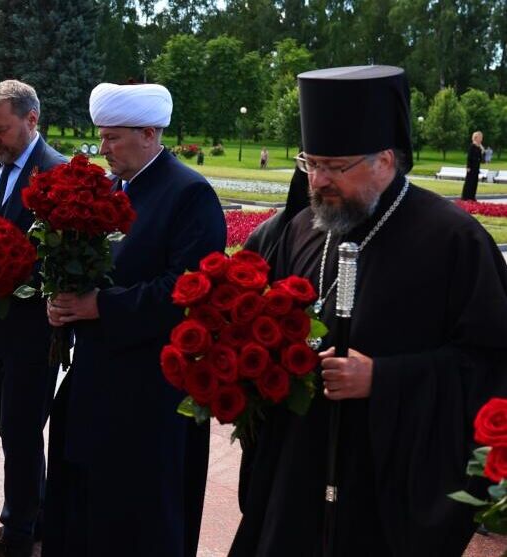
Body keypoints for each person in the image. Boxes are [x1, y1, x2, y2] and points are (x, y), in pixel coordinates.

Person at [231, 65, 507, 556]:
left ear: (385, 160)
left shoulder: (453, 241)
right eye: (310, 164)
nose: (318, 181)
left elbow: (489, 364)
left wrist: (383, 378)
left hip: (385, 484)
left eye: (335, 167)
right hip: (293, 473)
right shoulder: (300, 229)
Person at [42, 82, 227, 556]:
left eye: (112, 138)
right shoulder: (106, 189)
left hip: (153, 388)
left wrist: (100, 306)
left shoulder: (189, 194)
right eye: (101, 137)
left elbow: (187, 290)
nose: (102, 149)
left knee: (143, 509)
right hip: (97, 375)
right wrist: (59, 300)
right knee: (85, 493)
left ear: (148, 133)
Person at [0, 80, 66, 557]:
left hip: (36, 327)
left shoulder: (59, 173)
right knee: (8, 426)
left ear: (31, 120)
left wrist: (14, 284)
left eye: (1, 129)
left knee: (23, 427)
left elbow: (65, 258)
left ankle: (21, 529)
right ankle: (39, 511)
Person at [461, 130, 484, 201]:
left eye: (481, 137)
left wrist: (483, 150)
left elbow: (481, 159)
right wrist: (468, 166)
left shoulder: (479, 148)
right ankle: (465, 197)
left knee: (474, 183)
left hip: (476, 168)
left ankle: (472, 197)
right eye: (480, 137)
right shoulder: (472, 146)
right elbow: (469, 157)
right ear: (476, 138)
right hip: (471, 168)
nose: (481, 139)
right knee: (469, 183)